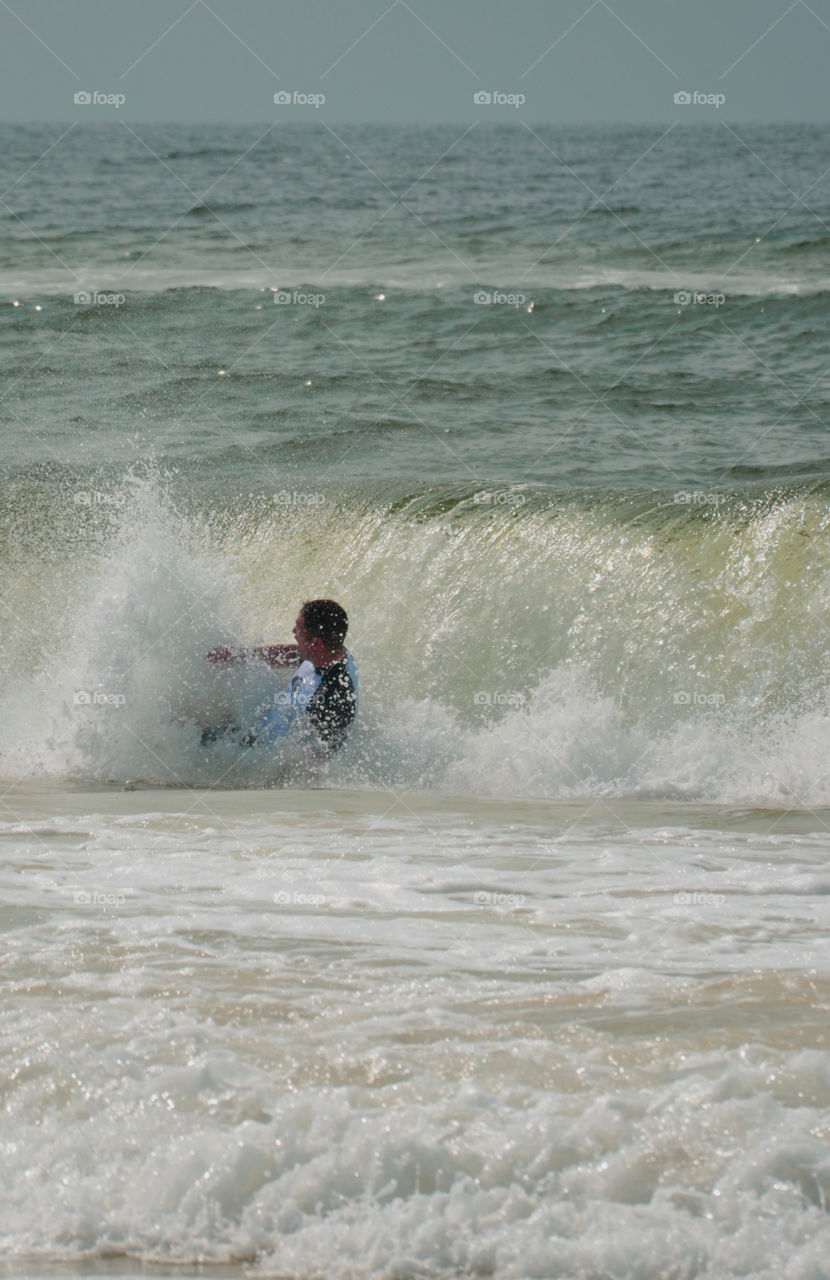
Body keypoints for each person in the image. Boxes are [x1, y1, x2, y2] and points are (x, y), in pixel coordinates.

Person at [206, 599, 357, 755]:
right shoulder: (331, 652)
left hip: (258, 753)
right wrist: (243, 655)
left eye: (299, 627)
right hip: (257, 727)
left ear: (317, 643)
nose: (293, 630)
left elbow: (320, 758)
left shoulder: (331, 700)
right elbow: (292, 653)